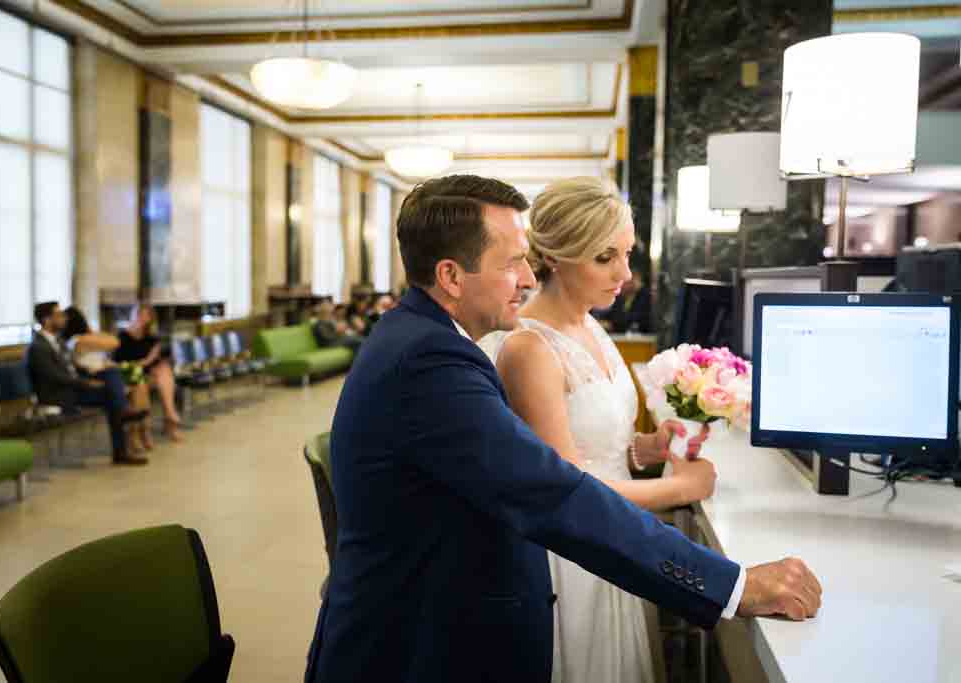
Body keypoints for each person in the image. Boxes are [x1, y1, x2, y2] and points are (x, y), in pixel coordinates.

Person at [305, 175, 821, 683]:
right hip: (418, 644)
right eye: (512, 264)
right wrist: (733, 585)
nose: (528, 279)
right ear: (451, 276)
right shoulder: (430, 363)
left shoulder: (424, 339)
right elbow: (552, 493)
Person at [480, 177, 709, 682]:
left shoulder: (591, 326)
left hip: (614, 531)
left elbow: (600, 444)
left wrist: (647, 448)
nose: (625, 274)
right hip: (572, 556)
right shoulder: (529, 350)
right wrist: (679, 488)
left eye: (627, 254)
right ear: (557, 257)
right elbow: (567, 490)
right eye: (605, 258)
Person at [25, 302, 147, 465]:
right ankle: (121, 443)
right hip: (56, 394)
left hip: (70, 388)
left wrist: (89, 372)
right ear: (47, 320)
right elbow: (55, 377)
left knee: (110, 375)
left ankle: (121, 441)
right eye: (59, 315)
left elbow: (70, 367)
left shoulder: (57, 340)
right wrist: (86, 383)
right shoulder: (38, 347)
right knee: (111, 396)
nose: (63, 319)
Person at [61, 306, 153, 456]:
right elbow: (114, 342)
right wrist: (95, 334)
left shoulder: (85, 337)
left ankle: (139, 432)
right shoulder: (76, 340)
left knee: (139, 385)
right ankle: (131, 426)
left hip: (105, 371)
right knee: (122, 377)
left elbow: (112, 341)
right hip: (95, 376)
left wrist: (94, 334)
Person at [114, 304, 184, 443]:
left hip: (149, 373)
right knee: (145, 383)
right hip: (131, 374)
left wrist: (151, 361)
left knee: (163, 369)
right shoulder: (122, 336)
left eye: (147, 316)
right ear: (134, 316)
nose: (143, 319)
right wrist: (145, 362)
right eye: (140, 315)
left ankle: (170, 414)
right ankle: (161, 424)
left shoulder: (151, 337)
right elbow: (121, 362)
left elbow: (157, 359)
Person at [595, 268, 651, 333]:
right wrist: (603, 321)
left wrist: (612, 324)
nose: (621, 285)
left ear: (635, 281)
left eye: (624, 282)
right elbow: (612, 314)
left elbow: (635, 319)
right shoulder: (621, 297)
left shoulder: (646, 297)